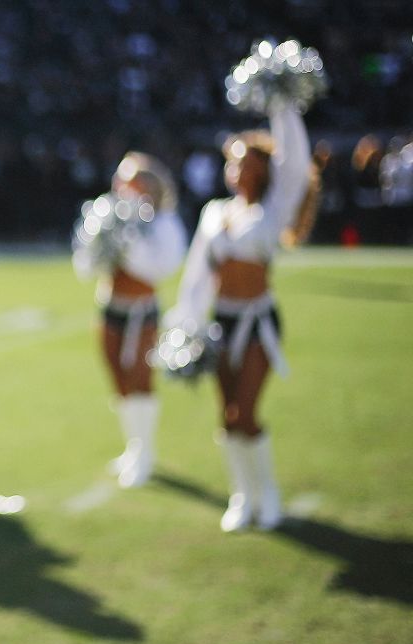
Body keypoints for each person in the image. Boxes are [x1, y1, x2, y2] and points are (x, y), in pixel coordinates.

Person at [168, 96, 316, 532]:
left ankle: (267, 495)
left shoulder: (272, 211)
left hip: (257, 321)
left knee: (245, 413)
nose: (236, 169)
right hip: (221, 323)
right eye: (232, 161)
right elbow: (197, 275)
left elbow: (296, 162)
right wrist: (184, 326)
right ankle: (241, 496)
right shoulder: (214, 213)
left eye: (245, 161)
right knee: (226, 414)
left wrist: (281, 103)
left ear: (263, 170)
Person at [73, 153, 186, 488]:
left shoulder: (163, 221)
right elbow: (85, 264)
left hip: (142, 310)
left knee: (139, 376)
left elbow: (161, 268)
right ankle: (132, 446)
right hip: (110, 305)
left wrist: (128, 239)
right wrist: (102, 240)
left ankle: (145, 452)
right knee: (118, 377)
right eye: (120, 179)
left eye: (130, 179)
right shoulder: (105, 214)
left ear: (148, 184)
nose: (122, 186)